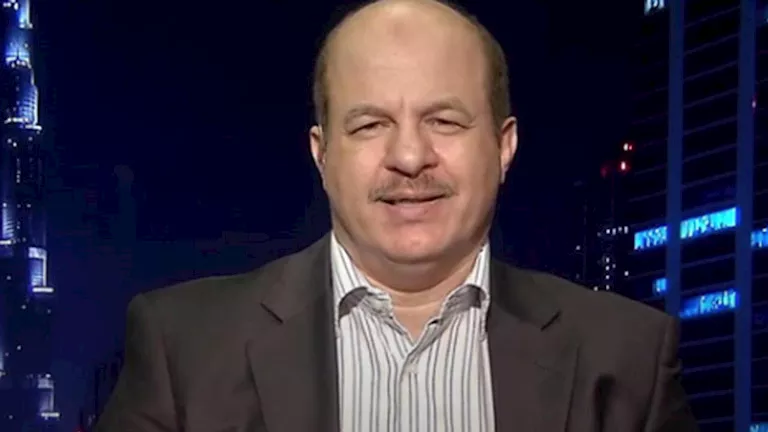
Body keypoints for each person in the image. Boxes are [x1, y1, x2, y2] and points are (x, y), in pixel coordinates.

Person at [96, 0, 699, 431]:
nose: (409, 157)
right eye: (370, 125)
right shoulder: (183, 350)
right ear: (322, 154)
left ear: (504, 146)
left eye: (445, 121)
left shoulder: (628, 360)